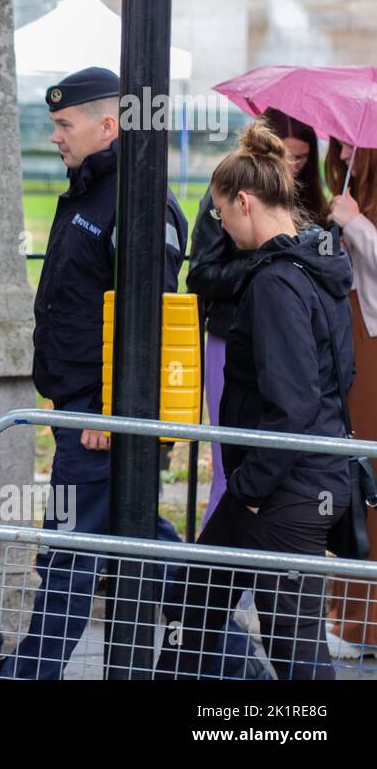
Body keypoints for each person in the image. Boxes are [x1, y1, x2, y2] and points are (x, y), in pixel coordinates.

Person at [2, 67, 200, 679]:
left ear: (107, 125)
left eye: (65, 125)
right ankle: (231, 652)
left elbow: (150, 322)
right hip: (83, 409)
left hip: (102, 413)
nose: (55, 135)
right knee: (139, 538)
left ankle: (28, 675)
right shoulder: (91, 189)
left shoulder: (140, 202)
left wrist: (115, 411)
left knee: (67, 553)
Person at [157, 123, 353, 680]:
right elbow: (343, 372)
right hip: (291, 482)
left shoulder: (275, 281)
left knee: (297, 655)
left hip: (280, 490)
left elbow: (293, 403)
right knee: (192, 610)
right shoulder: (323, 265)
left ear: (244, 202)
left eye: (221, 213)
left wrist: (248, 491)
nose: (220, 225)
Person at [188, 108, 330, 528]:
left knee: (272, 463)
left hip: (284, 338)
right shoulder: (225, 200)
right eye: (287, 155)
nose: (292, 166)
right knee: (232, 463)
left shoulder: (308, 207)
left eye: (302, 157)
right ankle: (228, 574)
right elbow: (200, 274)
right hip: (232, 336)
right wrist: (264, 265)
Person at [324, 139, 377, 658]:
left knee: (370, 481)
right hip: (351, 343)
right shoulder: (347, 192)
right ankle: (348, 615)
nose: (340, 149)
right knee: (352, 481)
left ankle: (364, 625)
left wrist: (357, 225)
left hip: (372, 345)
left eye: (352, 142)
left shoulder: (359, 204)